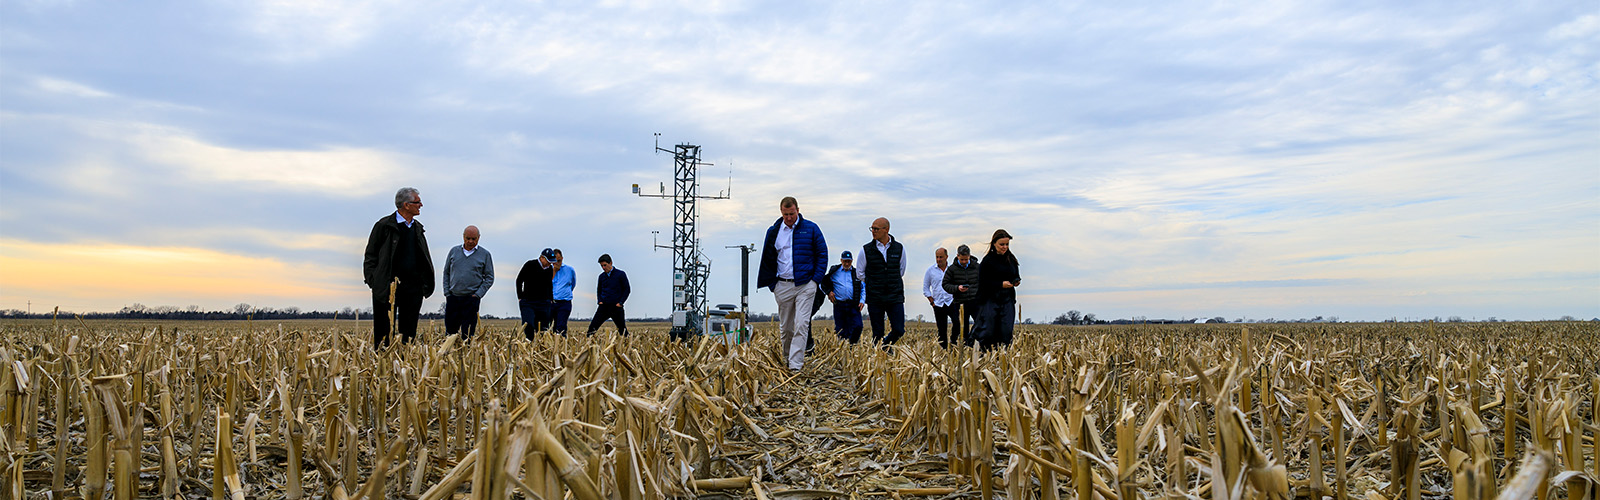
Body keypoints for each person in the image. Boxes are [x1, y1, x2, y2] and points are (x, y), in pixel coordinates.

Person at [756, 196, 827, 372]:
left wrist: (815, 281)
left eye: (792, 213)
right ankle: (787, 358)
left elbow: (822, 254)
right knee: (786, 327)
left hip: (805, 285)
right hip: (782, 285)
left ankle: (796, 366)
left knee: (802, 324)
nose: (789, 217)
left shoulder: (811, 228)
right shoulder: (773, 231)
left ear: (798, 210)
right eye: (786, 214)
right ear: (781, 212)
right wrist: (773, 284)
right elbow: (767, 257)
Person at [362, 187, 435, 349]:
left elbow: (423, 257)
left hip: (413, 288)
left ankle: (405, 365)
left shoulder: (418, 229)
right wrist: (374, 281)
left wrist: (423, 284)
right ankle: (382, 366)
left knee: (408, 333)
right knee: (383, 331)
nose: (421, 205)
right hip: (387, 287)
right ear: (406, 205)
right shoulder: (383, 226)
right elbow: (370, 255)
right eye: (417, 202)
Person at [856, 217, 907, 345]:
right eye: (872, 228)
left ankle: (884, 346)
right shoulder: (865, 250)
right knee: (877, 332)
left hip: (895, 295)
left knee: (899, 329)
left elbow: (901, 270)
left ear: (886, 230)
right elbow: (860, 273)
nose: (873, 231)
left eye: (876, 229)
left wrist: (890, 282)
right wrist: (874, 283)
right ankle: (878, 358)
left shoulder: (899, 248)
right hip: (875, 297)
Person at [442, 225, 493, 341]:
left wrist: (477, 295)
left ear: (478, 238)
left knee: (468, 335)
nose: (470, 241)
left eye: (473, 239)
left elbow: (489, 277)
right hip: (453, 298)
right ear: (463, 237)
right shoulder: (454, 252)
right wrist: (447, 292)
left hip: (471, 300)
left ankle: (467, 357)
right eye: (468, 238)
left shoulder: (485, 255)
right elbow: (446, 273)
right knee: (450, 334)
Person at [971, 229, 1021, 349]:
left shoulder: (1011, 259)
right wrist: (1000, 284)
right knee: (988, 331)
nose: (1005, 247)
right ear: (994, 244)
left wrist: (1016, 281)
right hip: (990, 300)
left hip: (1007, 299)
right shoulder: (987, 261)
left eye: (1007, 244)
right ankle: (984, 355)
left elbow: (1015, 274)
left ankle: (1004, 357)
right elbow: (983, 282)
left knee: (1007, 330)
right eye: (1002, 244)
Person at [942, 244, 982, 346]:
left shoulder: (977, 267)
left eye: (966, 259)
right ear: (957, 256)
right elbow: (945, 284)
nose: (964, 262)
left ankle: (972, 341)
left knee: (980, 322)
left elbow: (984, 282)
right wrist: (957, 288)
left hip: (975, 301)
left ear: (969, 256)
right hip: (960, 303)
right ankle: (963, 345)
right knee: (962, 327)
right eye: (962, 260)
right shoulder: (952, 269)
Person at [516, 248, 557, 339]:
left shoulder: (550, 269)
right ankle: (529, 345)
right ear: (542, 258)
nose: (550, 263)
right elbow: (519, 280)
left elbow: (549, 284)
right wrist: (520, 297)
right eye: (548, 261)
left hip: (544, 303)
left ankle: (540, 349)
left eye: (551, 261)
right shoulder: (529, 265)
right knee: (528, 325)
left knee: (543, 328)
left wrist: (550, 299)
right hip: (528, 302)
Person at [824, 251, 865, 343]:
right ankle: (843, 350)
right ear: (841, 260)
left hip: (853, 305)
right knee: (841, 330)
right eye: (845, 261)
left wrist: (862, 301)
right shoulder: (834, 272)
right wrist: (828, 292)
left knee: (858, 326)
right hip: (839, 305)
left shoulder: (856, 273)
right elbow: (823, 284)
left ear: (852, 261)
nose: (847, 263)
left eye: (849, 261)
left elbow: (863, 288)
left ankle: (852, 345)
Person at [587, 254, 631, 335]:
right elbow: (599, 290)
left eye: (605, 265)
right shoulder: (601, 277)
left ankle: (627, 345)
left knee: (622, 330)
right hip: (604, 307)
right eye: (601, 266)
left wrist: (620, 303)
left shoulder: (620, 274)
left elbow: (627, 290)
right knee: (592, 328)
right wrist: (599, 301)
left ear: (610, 263)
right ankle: (588, 346)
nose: (603, 268)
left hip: (616, 307)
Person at [923, 247, 957, 347]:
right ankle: (944, 351)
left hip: (951, 302)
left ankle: (953, 343)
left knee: (957, 323)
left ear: (946, 257)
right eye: (937, 257)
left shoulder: (952, 269)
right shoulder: (930, 271)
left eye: (941, 257)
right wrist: (932, 302)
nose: (939, 259)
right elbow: (925, 288)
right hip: (938, 304)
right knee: (941, 329)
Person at [550, 249, 575, 334]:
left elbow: (572, 284)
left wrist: (565, 292)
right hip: (551, 302)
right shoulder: (548, 270)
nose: (557, 263)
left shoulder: (569, 270)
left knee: (561, 327)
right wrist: (554, 271)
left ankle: (561, 344)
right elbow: (546, 285)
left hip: (564, 302)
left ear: (562, 258)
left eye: (559, 260)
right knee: (546, 326)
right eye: (554, 261)